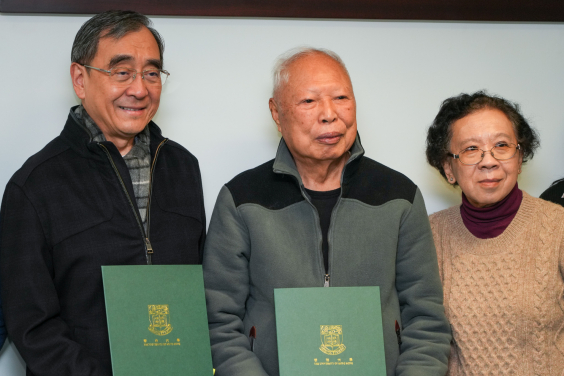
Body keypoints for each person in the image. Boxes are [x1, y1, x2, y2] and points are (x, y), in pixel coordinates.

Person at [203, 47, 451, 376]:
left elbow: (427, 320)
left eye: (341, 98)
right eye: (309, 101)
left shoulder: (398, 196)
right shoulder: (242, 198)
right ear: (277, 114)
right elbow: (218, 322)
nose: (329, 114)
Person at [0, 11, 205, 375]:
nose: (139, 89)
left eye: (152, 73)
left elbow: (198, 290)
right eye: (121, 72)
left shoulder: (183, 167)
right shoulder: (34, 185)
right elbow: (32, 325)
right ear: (80, 79)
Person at [426, 91, 564, 375]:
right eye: (471, 149)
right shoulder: (427, 235)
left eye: (501, 145)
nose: (488, 161)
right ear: (448, 167)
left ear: (519, 155)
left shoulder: (558, 227)